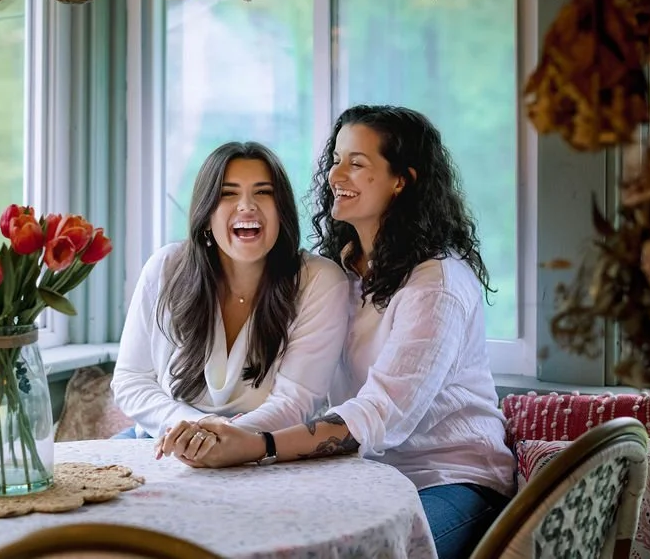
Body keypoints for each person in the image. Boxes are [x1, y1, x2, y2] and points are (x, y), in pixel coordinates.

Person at [158, 107, 516, 559]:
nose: (334, 175)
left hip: (450, 480)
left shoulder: (436, 283)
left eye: (357, 163)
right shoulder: (337, 271)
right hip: (360, 473)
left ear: (401, 180)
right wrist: (221, 432)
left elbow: (381, 413)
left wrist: (255, 444)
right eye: (336, 158)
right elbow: (297, 387)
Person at [111, 141, 349, 440]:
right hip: (161, 440)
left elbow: (296, 401)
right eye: (228, 193)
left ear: (282, 211)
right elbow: (130, 380)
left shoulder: (320, 280)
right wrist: (195, 431)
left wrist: (228, 438)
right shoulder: (165, 267)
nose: (247, 205)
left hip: (265, 447)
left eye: (263, 192)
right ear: (206, 214)